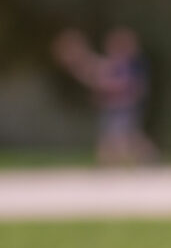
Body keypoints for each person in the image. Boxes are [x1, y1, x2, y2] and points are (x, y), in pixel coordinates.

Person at [53, 27, 157, 165]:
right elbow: (96, 71)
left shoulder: (127, 66)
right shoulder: (116, 64)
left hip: (123, 108)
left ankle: (145, 162)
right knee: (120, 138)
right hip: (116, 108)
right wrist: (79, 64)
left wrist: (99, 83)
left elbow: (113, 82)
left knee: (121, 139)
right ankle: (117, 167)